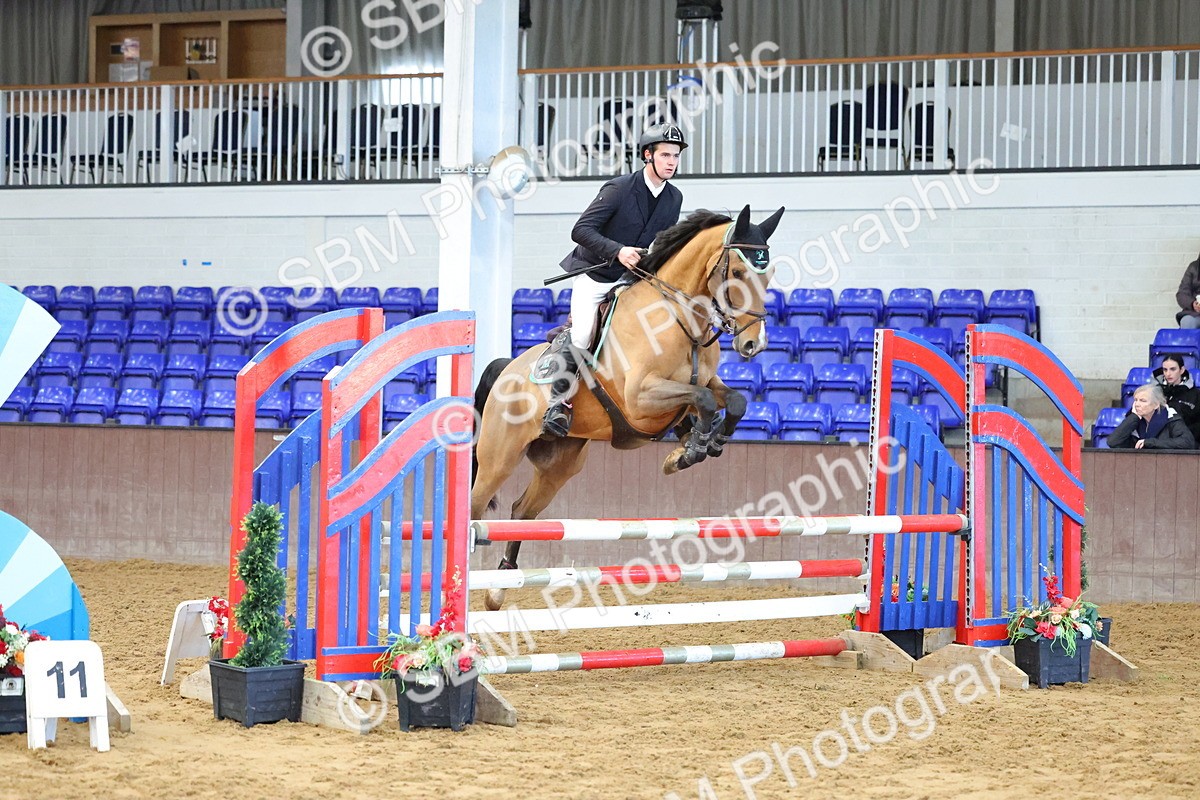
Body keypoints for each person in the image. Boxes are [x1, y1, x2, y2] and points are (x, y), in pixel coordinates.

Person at [539, 123, 687, 438]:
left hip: (632, 280)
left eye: (675, 155)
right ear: (648, 156)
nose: (671, 162)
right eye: (664, 155)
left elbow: (662, 243)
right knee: (582, 335)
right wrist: (618, 251)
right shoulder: (619, 188)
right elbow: (580, 230)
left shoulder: (674, 198)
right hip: (596, 275)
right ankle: (558, 403)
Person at [1107, 383, 1196, 450]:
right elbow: (1113, 442)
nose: (1137, 404)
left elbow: (1187, 442)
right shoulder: (1133, 420)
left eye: (1143, 401)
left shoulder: (1171, 417)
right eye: (1136, 400)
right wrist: (1134, 417)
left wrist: (1150, 442)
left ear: (1156, 404)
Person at [1153, 353, 1200, 441]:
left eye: (1172, 369)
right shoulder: (1154, 392)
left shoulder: (1195, 394)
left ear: (1181, 370)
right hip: (1157, 442)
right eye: (1165, 370)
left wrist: (1185, 435)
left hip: (1186, 444)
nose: (1168, 373)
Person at [1176, 249, 1200, 329]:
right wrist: (1193, 304)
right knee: (1188, 322)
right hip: (1195, 314)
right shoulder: (1194, 267)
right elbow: (1182, 294)